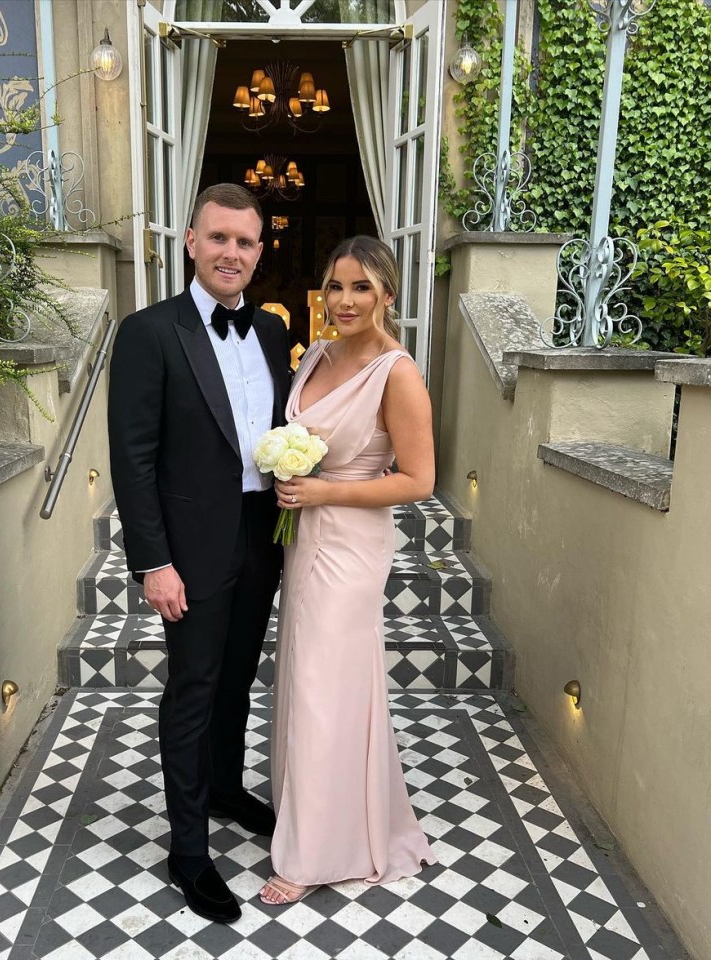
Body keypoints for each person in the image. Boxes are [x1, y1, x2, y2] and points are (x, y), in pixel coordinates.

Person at [107, 184, 291, 923]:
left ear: (257, 251)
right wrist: (154, 563)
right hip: (189, 548)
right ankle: (188, 850)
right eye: (219, 238)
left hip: (261, 536)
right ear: (191, 242)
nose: (232, 253)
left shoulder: (275, 331)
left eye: (245, 242)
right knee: (192, 690)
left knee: (239, 678)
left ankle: (223, 787)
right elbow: (134, 458)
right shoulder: (149, 332)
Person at [260, 235, 438, 905]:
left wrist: (324, 491)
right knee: (304, 675)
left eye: (361, 287)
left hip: (350, 539)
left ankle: (316, 854)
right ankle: (312, 815)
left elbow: (419, 479)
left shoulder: (397, 372)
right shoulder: (319, 355)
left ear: (388, 294)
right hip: (303, 534)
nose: (345, 300)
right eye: (336, 287)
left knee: (324, 685)